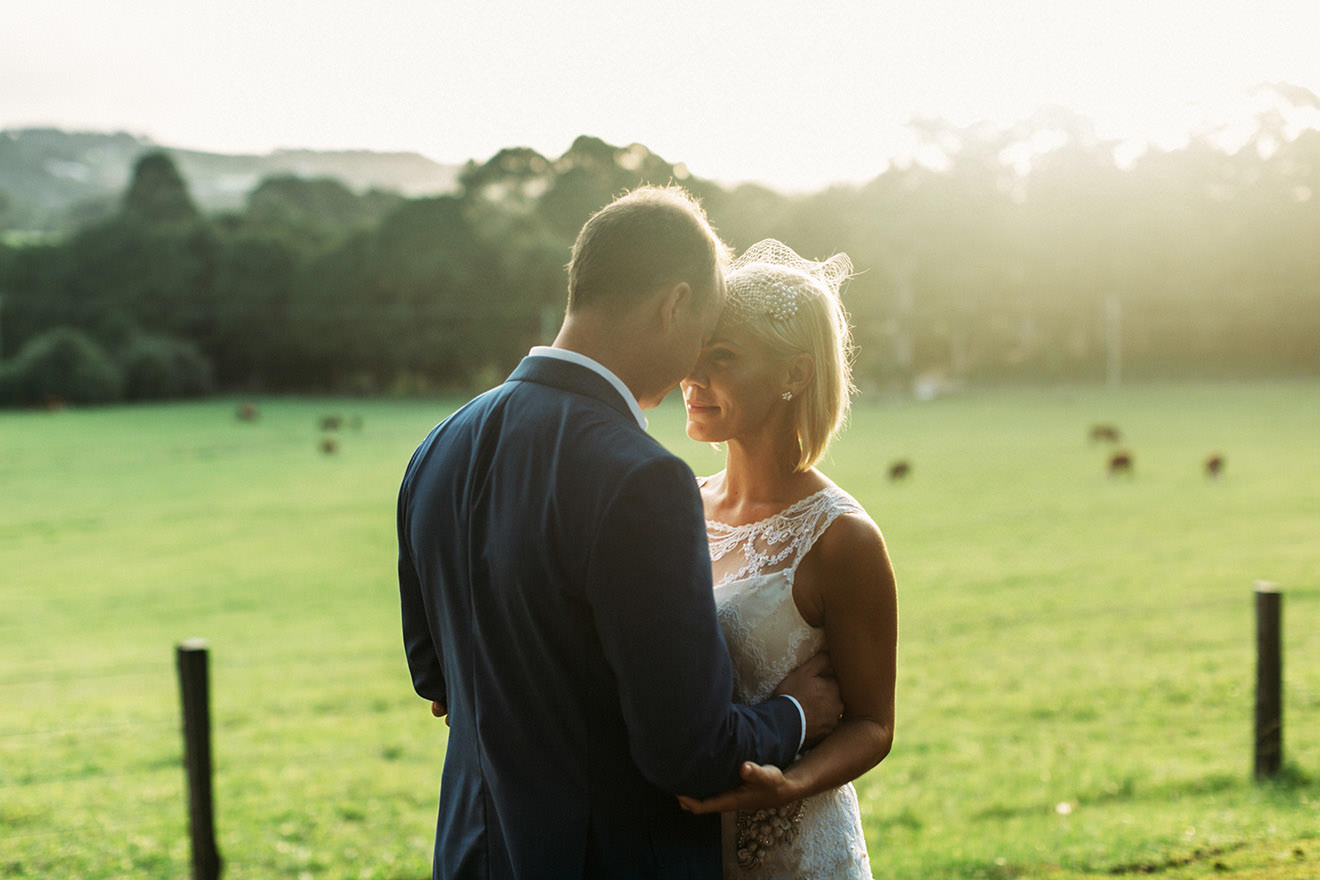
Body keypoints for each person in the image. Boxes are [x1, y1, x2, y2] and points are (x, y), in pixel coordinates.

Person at [397, 187, 844, 879]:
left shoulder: (439, 445)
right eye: (704, 332)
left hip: (472, 854)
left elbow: (434, 676)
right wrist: (795, 714)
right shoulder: (641, 479)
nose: (698, 360)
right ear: (674, 305)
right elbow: (689, 754)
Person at [676, 240, 898, 878]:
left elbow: (873, 724)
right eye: (695, 354)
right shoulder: (678, 509)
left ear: (794, 375)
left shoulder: (842, 539)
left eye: (722, 358)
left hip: (795, 852)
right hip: (683, 846)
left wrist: (790, 784)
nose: (694, 377)